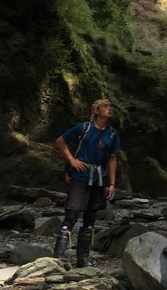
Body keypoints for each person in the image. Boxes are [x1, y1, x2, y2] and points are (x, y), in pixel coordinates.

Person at [53, 98, 121, 266]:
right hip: (80, 177)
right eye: (105, 106)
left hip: (99, 178)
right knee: (71, 216)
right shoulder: (83, 128)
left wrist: (111, 184)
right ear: (96, 111)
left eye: (111, 106)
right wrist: (72, 161)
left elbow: (112, 158)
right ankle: (57, 260)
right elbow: (60, 141)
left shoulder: (112, 134)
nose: (109, 108)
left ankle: (82, 260)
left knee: (90, 219)